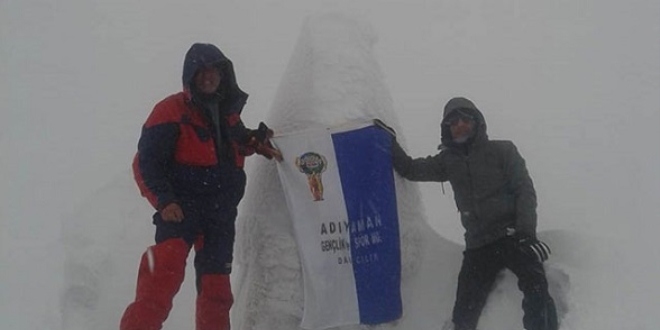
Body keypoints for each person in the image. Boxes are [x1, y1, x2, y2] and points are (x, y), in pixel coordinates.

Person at [120, 43, 281, 330]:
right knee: (160, 281)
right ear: (190, 76)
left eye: (214, 72)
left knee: (217, 291)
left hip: (219, 215)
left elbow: (236, 142)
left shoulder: (227, 112)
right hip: (180, 210)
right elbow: (145, 164)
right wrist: (164, 201)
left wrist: (255, 141)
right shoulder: (170, 110)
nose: (208, 77)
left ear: (223, 75)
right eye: (201, 72)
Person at [387, 97, 557, 330]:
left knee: (536, 285)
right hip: (479, 247)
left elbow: (524, 191)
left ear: (477, 122)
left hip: (512, 236)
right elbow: (410, 169)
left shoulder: (503, 150)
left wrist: (526, 232)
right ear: (447, 129)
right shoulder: (447, 161)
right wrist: (388, 139)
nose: (460, 125)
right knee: (464, 313)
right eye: (453, 122)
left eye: (465, 119)